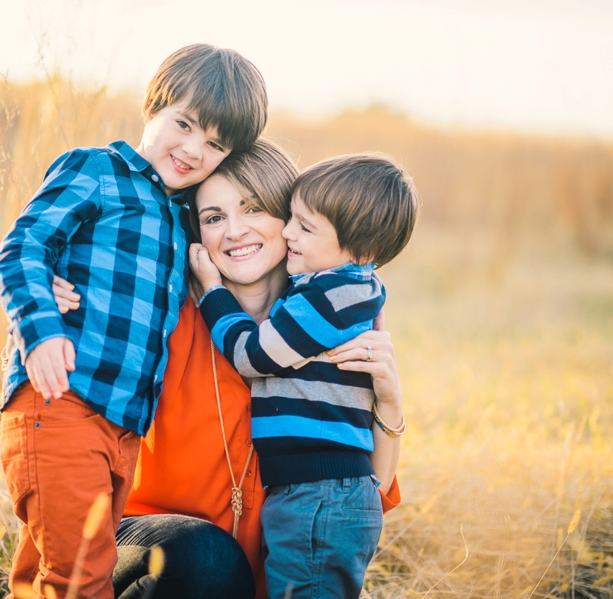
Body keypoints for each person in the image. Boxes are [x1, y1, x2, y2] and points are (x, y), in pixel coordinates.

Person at [50, 141, 406, 599]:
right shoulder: (162, 319)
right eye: (214, 217)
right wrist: (53, 298)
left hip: (275, 572)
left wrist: (391, 402)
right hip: (152, 550)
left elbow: (367, 494)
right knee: (205, 556)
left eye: (254, 209)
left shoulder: (332, 321)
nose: (235, 231)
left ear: (293, 220)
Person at [0, 44, 268, 599]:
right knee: (79, 578)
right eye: (183, 124)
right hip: (63, 400)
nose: (192, 149)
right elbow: (22, 248)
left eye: (214, 144)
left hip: (122, 430)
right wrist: (39, 327)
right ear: (153, 107)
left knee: (54, 567)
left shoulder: (181, 214)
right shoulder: (97, 171)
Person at [189, 153, 418, 598]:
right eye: (214, 217)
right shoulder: (340, 291)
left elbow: (252, 354)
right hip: (309, 498)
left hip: (317, 496)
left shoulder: (329, 298)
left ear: (362, 251)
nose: (290, 232)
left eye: (255, 208)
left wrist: (212, 294)